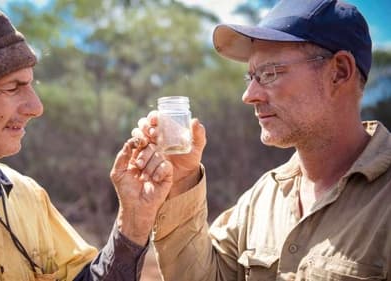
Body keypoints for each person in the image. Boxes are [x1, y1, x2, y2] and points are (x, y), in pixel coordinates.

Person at [0, 1, 173, 280]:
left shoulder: (26, 196)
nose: (35, 107)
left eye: (30, 85)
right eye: (13, 87)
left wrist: (135, 219)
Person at [132, 0, 391, 280]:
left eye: (269, 74)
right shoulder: (263, 197)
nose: (249, 95)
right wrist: (183, 178)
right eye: (251, 77)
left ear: (339, 71)